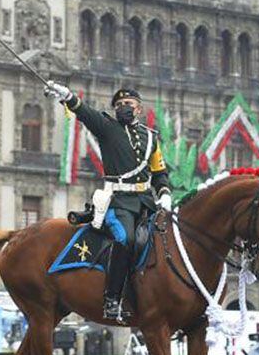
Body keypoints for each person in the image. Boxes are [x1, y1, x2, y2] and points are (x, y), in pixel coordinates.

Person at [44, 82, 172, 321]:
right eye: (119, 105)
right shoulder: (107, 128)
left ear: (139, 109)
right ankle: (112, 298)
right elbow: (86, 113)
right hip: (118, 202)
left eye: (129, 104)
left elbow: (159, 171)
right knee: (125, 239)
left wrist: (164, 191)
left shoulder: (151, 138)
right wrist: (68, 96)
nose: (124, 107)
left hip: (145, 202)